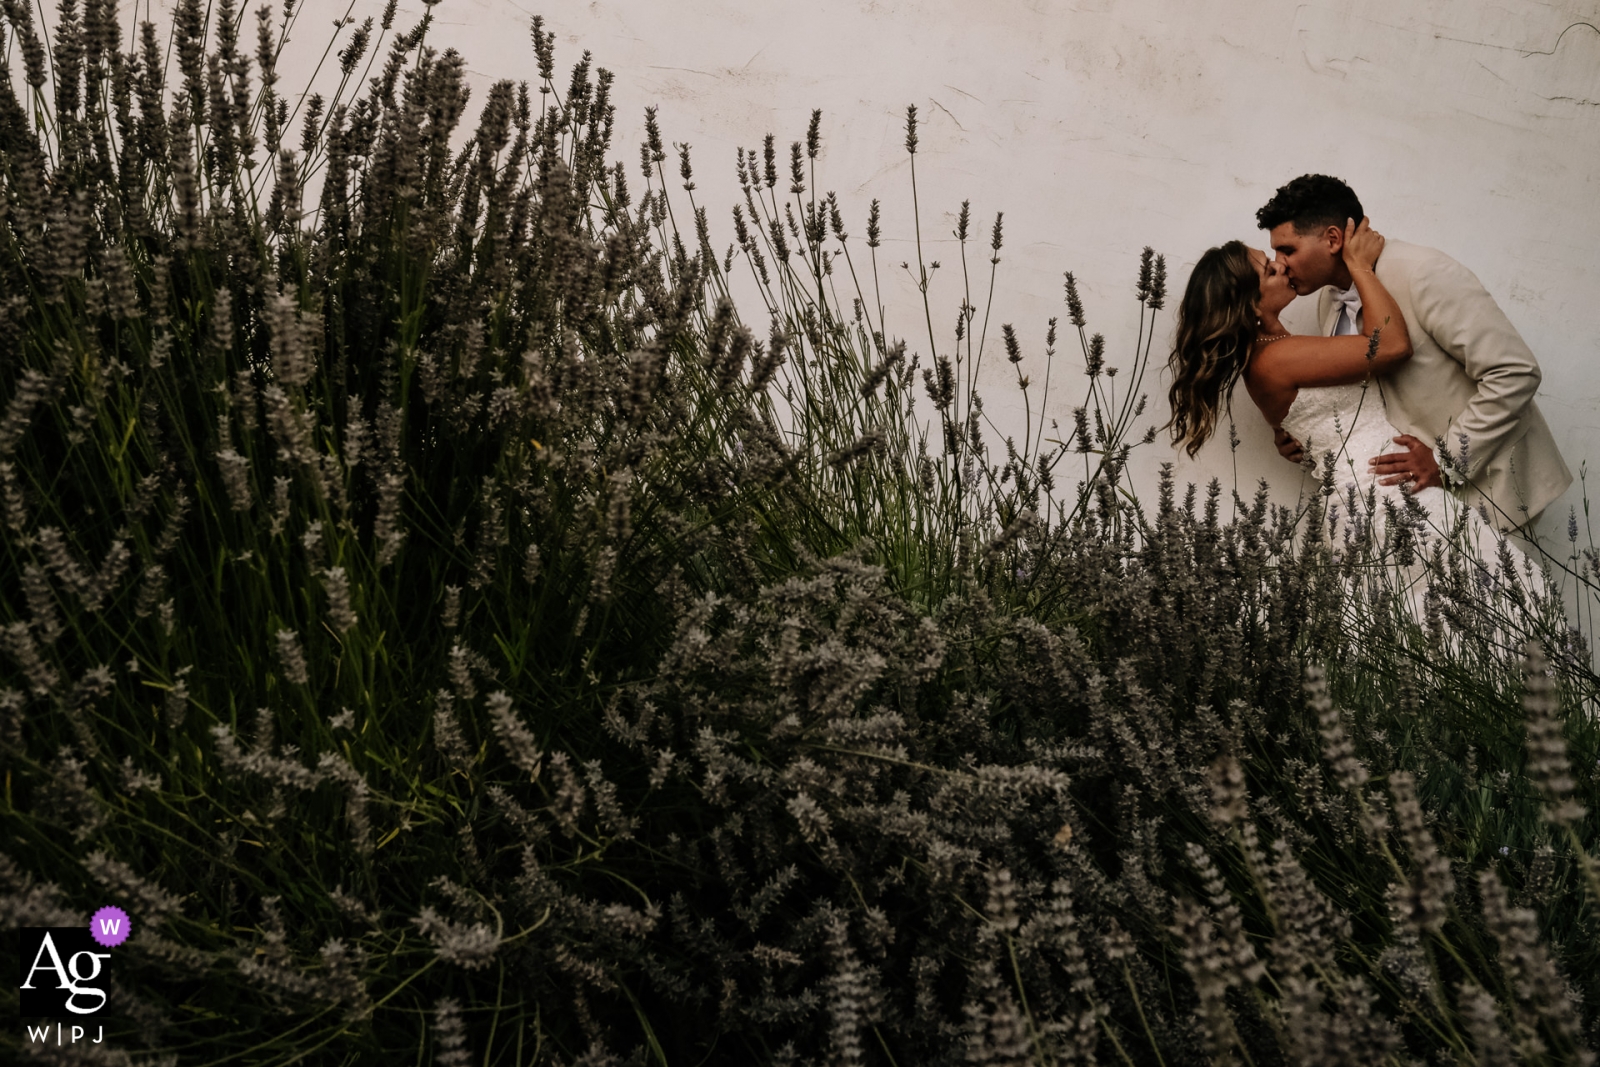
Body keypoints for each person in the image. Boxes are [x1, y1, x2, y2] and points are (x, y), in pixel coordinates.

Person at [1257, 174, 1570, 531]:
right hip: (1415, 510)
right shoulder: (1329, 303)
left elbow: (1515, 372)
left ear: (1332, 238)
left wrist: (1446, 460)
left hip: (1493, 491)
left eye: (1288, 249)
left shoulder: (1423, 273)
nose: (1280, 263)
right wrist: (1303, 431)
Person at [1166, 219, 1444, 526]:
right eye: (1269, 271)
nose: (1282, 266)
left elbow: (1302, 416)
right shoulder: (1275, 358)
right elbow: (1392, 346)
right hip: (1382, 496)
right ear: (1252, 306)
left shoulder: (1270, 351)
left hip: (1383, 489)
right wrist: (1360, 265)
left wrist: (1284, 433)